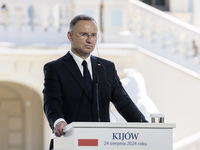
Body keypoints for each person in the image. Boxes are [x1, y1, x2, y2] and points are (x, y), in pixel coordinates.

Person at [43, 14, 148, 150]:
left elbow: (124, 103)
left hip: (101, 143)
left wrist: (145, 126)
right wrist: (58, 122)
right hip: (68, 142)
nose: (89, 40)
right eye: (84, 34)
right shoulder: (55, 68)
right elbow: (51, 102)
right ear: (70, 36)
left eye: (93, 35)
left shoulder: (107, 68)